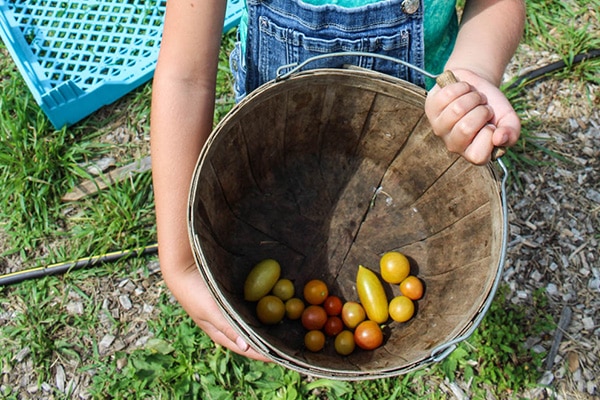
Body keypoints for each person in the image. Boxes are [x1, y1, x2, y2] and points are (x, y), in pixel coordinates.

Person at [150, 0, 525, 361]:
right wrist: (180, 261)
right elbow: (185, 77)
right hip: (276, 126)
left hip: (421, 126)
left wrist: (473, 72)